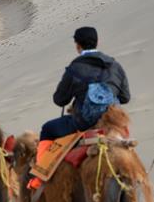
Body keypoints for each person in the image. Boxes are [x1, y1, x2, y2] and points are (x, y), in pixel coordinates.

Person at [27, 27, 131, 189]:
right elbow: (125, 97)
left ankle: (40, 176)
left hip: (82, 123)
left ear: (78, 45)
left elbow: (60, 99)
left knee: (47, 129)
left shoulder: (75, 67)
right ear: (97, 42)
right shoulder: (115, 66)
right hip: (112, 122)